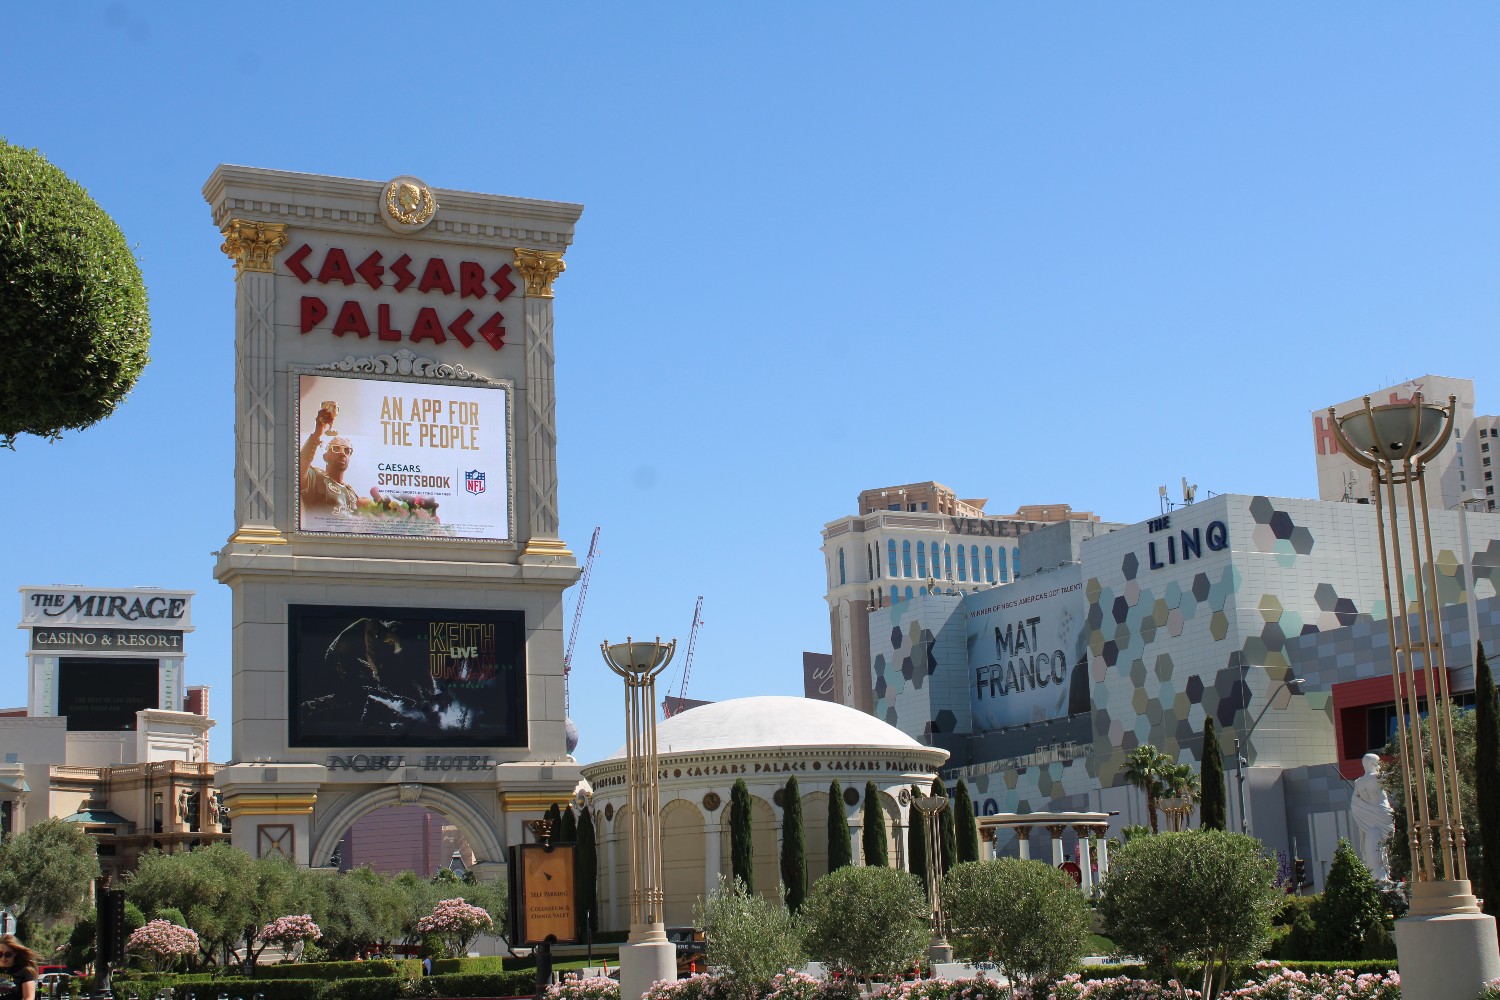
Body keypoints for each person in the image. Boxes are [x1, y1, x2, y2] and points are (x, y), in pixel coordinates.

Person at [299, 404, 359, 517]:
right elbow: (299, 469)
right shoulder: (317, 477)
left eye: (347, 450)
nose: (342, 453)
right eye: (336, 449)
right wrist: (318, 433)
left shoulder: (352, 493)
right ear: (325, 457)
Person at [1350, 752, 1395, 881]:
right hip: (1383, 813)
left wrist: (1366, 811)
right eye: (1378, 763)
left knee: (1377, 843)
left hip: (1371, 820)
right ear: (1372, 764)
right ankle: (1381, 875)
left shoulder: (1358, 782)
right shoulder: (1380, 778)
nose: (1379, 766)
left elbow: (1355, 803)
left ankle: (1380, 875)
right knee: (1383, 846)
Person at [0, 934, 38, 1000]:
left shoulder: (25, 972)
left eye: (8, 954)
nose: (3, 958)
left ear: (15, 953)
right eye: (0, 954)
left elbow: (29, 997)